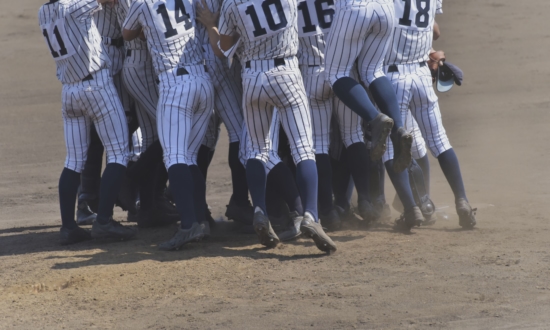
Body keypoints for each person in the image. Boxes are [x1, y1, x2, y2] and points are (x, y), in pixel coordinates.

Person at [196, 0, 336, 252]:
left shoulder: (231, 3)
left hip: (252, 78)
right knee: (304, 149)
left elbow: (223, 48)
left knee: (257, 150)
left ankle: (259, 209)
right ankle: (311, 216)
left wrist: (211, 25)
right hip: (287, 73)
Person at [39, 0, 138, 245]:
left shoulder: (43, 12)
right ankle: (103, 221)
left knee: (73, 161)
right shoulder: (72, 6)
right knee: (118, 153)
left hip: (69, 93)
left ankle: (68, 228)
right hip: (96, 88)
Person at [123, 0, 214, 250]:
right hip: (203, 82)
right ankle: (200, 221)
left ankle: (188, 226)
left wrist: (149, 30)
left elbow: (127, 33)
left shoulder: (142, 3)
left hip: (175, 85)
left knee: (174, 157)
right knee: (191, 157)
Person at [385, 0, 476, 229]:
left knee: (392, 145)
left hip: (394, 78)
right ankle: (462, 201)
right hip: (423, 76)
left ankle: (411, 208)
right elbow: (435, 31)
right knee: (439, 141)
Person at [323, 0, 413, 174]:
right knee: (373, 70)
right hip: (385, 8)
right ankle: (399, 128)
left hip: (355, 8)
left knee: (335, 73)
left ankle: (375, 118)